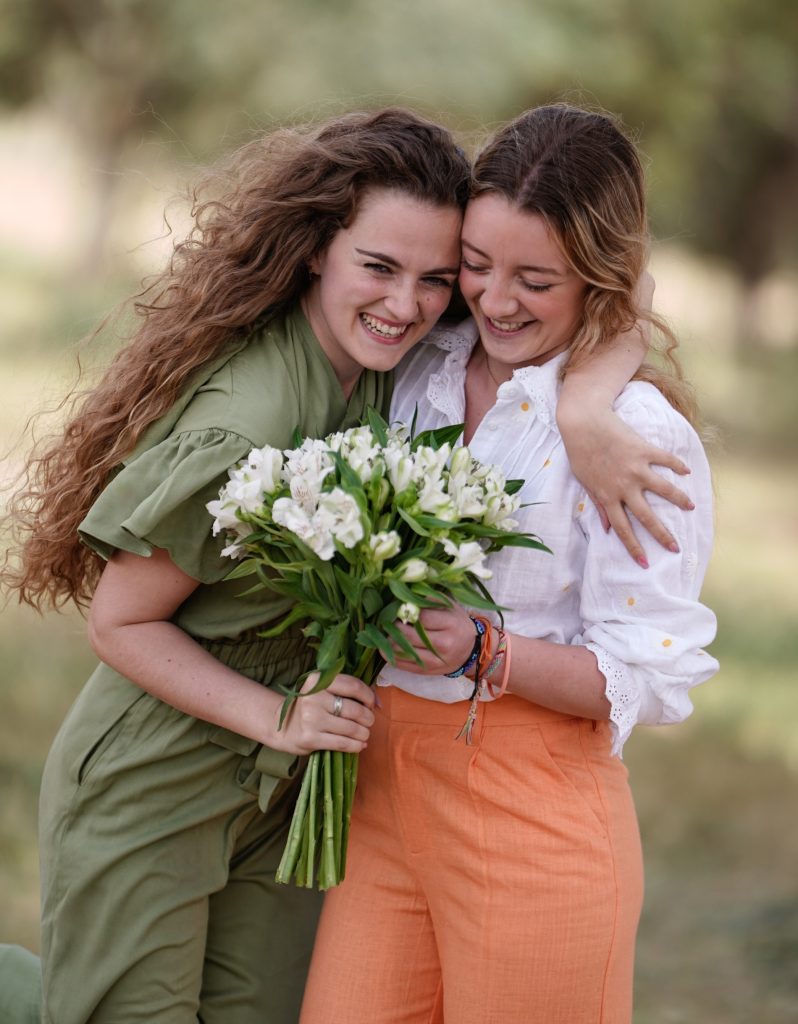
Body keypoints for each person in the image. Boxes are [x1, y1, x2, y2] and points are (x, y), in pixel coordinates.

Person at [2, 105, 688, 1024]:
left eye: (439, 277)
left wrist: (586, 409)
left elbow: (602, 299)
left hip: (291, 785)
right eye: (380, 268)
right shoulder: (256, 422)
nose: (412, 302)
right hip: (165, 775)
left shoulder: (403, 362)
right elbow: (117, 621)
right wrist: (278, 715)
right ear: (317, 248)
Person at [299, 105, 719, 1024]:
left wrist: (485, 649)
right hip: (383, 791)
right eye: (478, 267)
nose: (494, 301)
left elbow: (643, 676)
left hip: (533, 814)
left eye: (535, 279)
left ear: (598, 280)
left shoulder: (636, 440)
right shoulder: (423, 365)